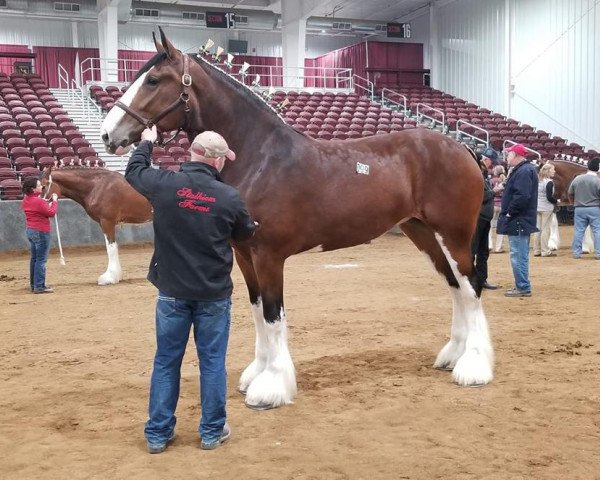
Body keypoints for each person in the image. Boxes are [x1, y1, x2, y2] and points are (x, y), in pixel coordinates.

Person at [125, 126, 257, 454]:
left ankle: (157, 433)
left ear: (193, 153)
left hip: (171, 291)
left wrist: (146, 142)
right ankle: (211, 431)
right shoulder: (229, 197)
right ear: (215, 161)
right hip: (212, 294)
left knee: (166, 361)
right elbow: (244, 235)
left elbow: (134, 171)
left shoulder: (165, 184)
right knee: (212, 362)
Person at [497, 144, 538, 297]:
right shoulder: (524, 170)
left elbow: (522, 196)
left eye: (508, 154)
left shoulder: (523, 171)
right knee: (520, 254)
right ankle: (522, 284)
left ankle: (522, 286)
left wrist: (509, 213)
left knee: (518, 255)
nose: (507, 157)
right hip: (521, 219)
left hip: (518, 219)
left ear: (514, 155)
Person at [21, 177, 58, 294]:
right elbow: (51, 212)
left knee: (35, 258)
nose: (41, 187)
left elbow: (39, 207)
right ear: (33, 189)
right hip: (41, 231)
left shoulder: (27, 199)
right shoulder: (38, 201)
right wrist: (55, 202)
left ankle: (34, 284)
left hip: (31, 230)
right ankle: (39, 286)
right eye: (38, 185)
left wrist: (47, 202)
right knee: (41, 260)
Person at [472, 147, 500, 290]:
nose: (492, 165)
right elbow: (479, 197)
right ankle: (470, 280)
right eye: (491, 162)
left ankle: (481, 279)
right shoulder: (475, 174)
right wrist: (494, 192)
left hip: (484, 218)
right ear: (485, 159)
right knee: (473, 250)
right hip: (478, 218)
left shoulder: (482, 174)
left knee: (483, 251)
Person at [567, 156, 600, 259]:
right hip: (594, 208)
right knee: (597, 230)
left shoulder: (578, 178)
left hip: (579, 208)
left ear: (588, 167)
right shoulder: (598, 180)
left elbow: (570, 192)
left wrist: (573, 203)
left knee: (579, 231)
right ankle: (598, 253)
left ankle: (576, 253)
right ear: (598, 169)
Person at [533, 163, 558, 257]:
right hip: (546, 208)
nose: (554, 171)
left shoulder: (537, 181)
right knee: (545, 229)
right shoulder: (549, 182)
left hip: (537, 207)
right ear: (548, 171)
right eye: (553, 170)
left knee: (537, 229)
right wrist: (557, 201)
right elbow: (549, 197)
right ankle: (545, 250)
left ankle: (536, 250)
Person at [490, 164, 506, 253]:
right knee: (501, 227)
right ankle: (498, 247)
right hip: (502, 205)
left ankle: (489, 244)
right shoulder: (505, 180)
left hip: (493, 204)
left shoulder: (492, 180)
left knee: (489, 226)